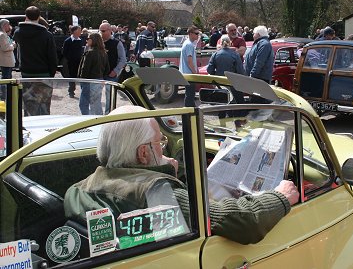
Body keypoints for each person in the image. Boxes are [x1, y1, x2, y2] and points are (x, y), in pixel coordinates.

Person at [64, 105, 299, 245]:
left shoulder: (77, 189)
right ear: (143, 153)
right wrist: (279, 197)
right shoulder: (157, 191)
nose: (164, 148)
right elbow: (243, 222)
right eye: (160, 144)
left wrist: (164, 168)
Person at [13, 6, 58, 116]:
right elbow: (52, 57)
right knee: (44, 106)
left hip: (26, 74)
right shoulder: (47, 35)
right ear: (39, 16)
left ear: (26, 16)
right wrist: (51, 74)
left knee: (29, 105)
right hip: (44, 74)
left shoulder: (19, 33)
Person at [207, 35, 246, 118]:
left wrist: (216, 75)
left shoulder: (215, 54)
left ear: (220, 43)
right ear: (230, 43)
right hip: (233, 84)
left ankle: (222, 126)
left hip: (220, 84)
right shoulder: (235, 55)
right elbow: (240, 71)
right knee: (235, 107)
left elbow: (209, 70)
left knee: (222, 107)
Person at [77, 33, 110, 115]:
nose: (86, 40)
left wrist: (81, 80)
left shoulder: (90, 53)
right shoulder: (104, 53)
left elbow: (84, 70)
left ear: (93, 40)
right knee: (96, 104)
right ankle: (97, 120)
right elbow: (107, 69)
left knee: (84, 104)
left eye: (88, 38)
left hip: (89, 81)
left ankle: (88, 121)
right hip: (99, 80)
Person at [99, 22, 126, 114]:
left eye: (103, 31)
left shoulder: (117, 43)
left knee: (109, 97)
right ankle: (97, 116)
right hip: (98, 74)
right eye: (100, 31)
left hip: (111, 74)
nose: (101, 33)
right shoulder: (97, 43)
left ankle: (108, 115)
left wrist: (116, 71)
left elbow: (123, 59)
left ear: (110, 31)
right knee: (95, 96)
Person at [179, 25, 200, 107]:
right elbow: (190, 62)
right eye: (196, 33)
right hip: (189, 74)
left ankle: (191, 111)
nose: (198, 35)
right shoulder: (189, 45)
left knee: (189, 94)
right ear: (190, 34)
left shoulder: (186, 43)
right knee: (190, 95)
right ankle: (189, 113)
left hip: (186, 73)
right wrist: (195, 73)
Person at [62, 25, 84, 98]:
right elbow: (64, 52)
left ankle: (83, 91)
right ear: (74, 31)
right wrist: (69, 58)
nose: (80, 32)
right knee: (72, 76)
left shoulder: (81, 40)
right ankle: (71, 91)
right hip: (71, 62)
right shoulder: (68, 41)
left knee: (81, 76)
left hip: (80, 62)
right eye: (79, 30)